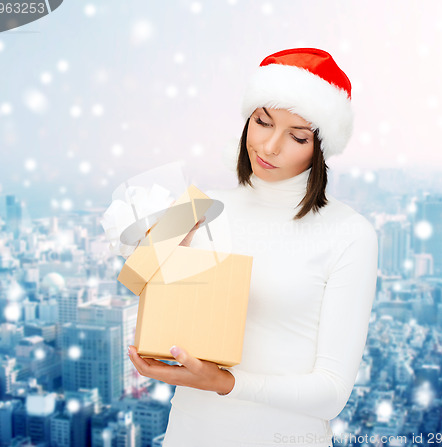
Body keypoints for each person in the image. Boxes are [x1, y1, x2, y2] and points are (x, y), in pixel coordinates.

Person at [128, 48, 379, 447]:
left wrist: (226, 383)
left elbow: (332, 394)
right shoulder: (199, 203)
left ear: (320, 149)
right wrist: (153, 249)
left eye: (297, 136)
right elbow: (135, 280)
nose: (270, 145)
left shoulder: (349, 233)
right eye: (262, 122)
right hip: (190, 433)